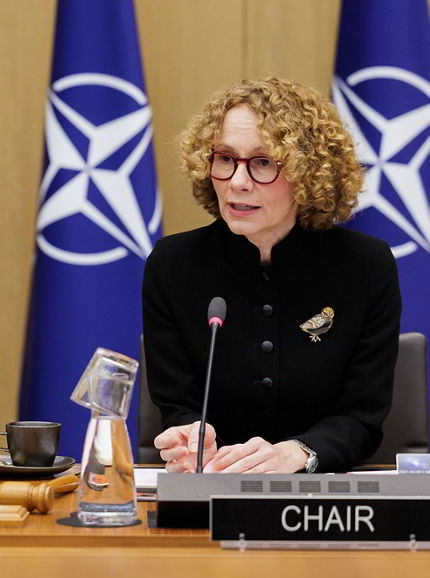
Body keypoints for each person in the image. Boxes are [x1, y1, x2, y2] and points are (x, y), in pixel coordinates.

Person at [142, 77, 401, 474]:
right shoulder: (172, 265)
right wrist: (189, 437)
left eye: (263, 163)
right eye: (225, 158)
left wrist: (297, 453)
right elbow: (178, 405)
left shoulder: (366, 266)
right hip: (212, 490)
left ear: (308, 173)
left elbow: (362, 417)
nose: (238, 182)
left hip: (324, 502)